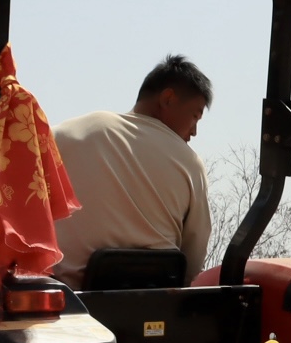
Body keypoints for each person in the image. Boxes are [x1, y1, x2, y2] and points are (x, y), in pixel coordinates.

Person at [50, 55, 214, 285]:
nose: (194, 131)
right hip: (156, 306)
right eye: (195, 116)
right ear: (168, 99)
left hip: (72, 304)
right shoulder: (189, 162)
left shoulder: (66, 135)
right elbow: (194, 253)